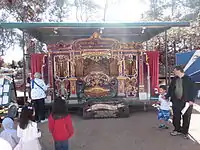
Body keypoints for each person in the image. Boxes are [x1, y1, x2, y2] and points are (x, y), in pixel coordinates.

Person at [164, 65, 196, 139]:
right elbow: (171, 89)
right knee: (176, 116)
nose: (174, 72)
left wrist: (192, 100)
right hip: (176, 101)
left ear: (179, 71)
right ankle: (177, 129)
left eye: (174, 71)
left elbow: (194, 90)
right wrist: (166, 96)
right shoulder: (174, 79)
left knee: (186, 117)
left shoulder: (189, 79)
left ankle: (185, 132)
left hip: (187, 102)